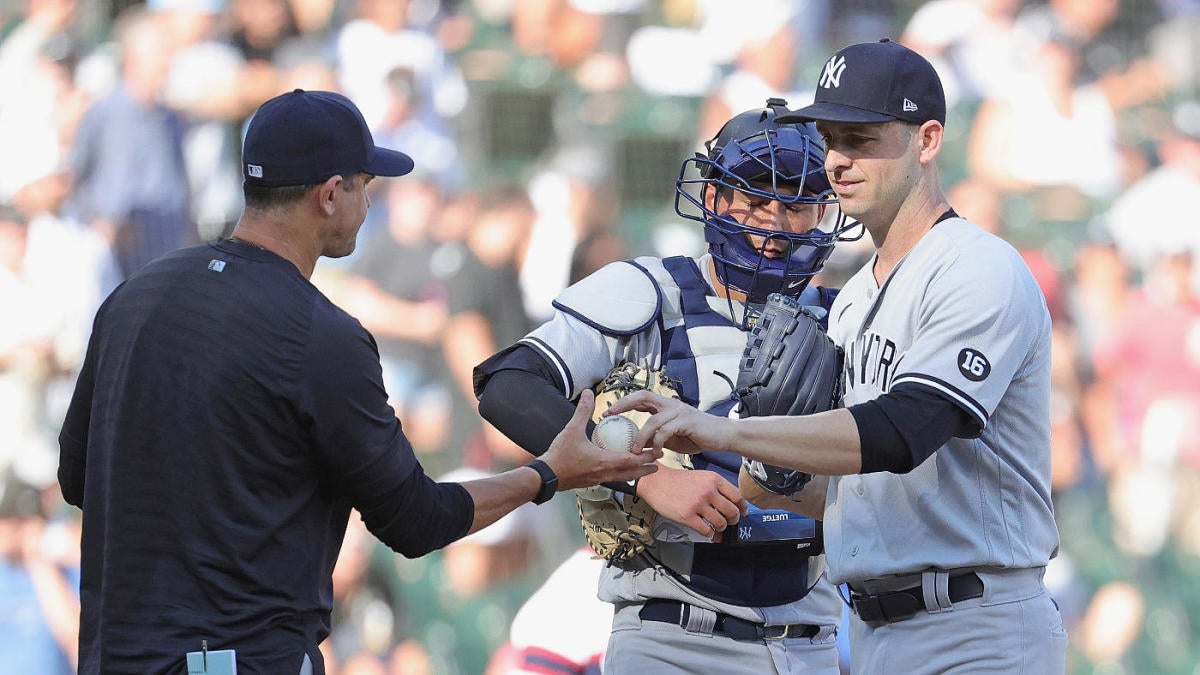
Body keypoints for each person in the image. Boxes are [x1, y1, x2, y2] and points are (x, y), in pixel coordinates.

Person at [55, 88, 660, 675]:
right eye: (365, 186)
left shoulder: (134, 297)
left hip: (115, 652)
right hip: (241, 658)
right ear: (328, 195)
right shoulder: (320, 333)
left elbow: (78, 476)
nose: (370, 205)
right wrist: (548, 474)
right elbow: (416, 520)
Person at [606, 40, 1068, 673]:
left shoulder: (976, 266)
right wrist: (642, 471)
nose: (838, 160)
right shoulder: (850, 302)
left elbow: (905, 430)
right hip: (871, 630)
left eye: (862, 138)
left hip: (977, 627)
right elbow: (825, 498)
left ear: (927, 140)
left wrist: (723, 428)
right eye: (830, 138)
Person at [475, 98, 859, 674]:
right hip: (673, 638)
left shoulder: (854, 315)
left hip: (808, 642)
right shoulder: (652, 293)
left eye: (797, 206)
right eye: (756, 201)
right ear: (714, 199)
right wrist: (644, 479)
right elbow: (506, 384)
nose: (776, 226)